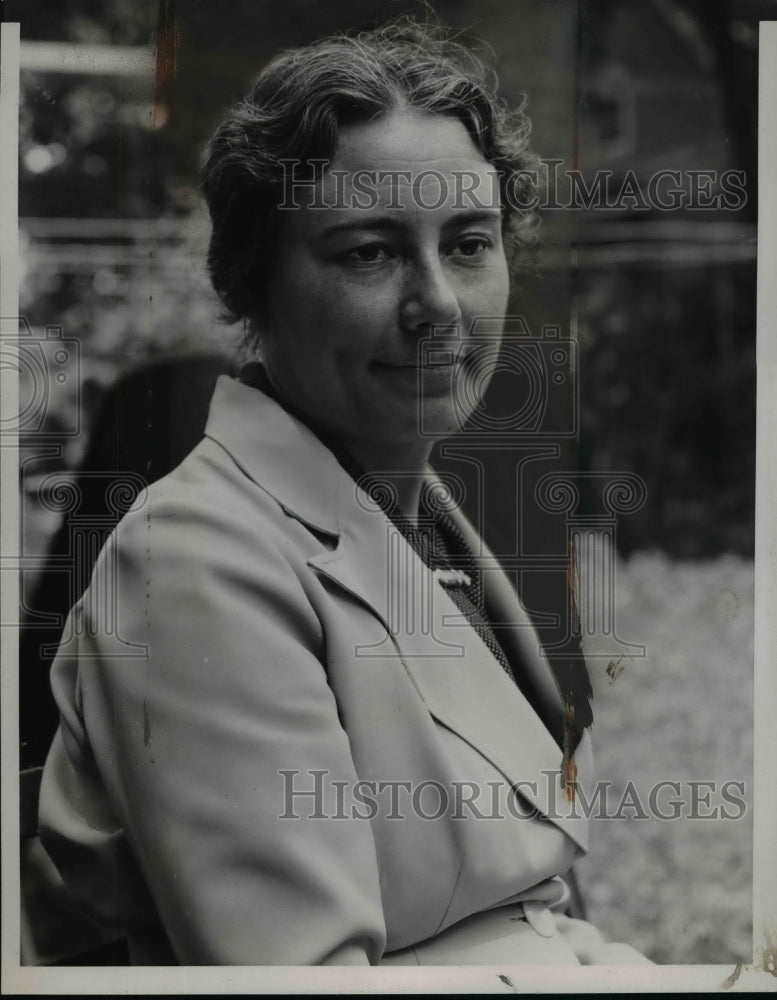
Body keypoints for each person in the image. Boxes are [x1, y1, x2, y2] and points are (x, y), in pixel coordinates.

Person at [38, 18, 650, 966]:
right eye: (368, 252)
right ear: (255, 283)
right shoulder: (193, 566)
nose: (437, 304)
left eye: (468, 243)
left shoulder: (425, 518)